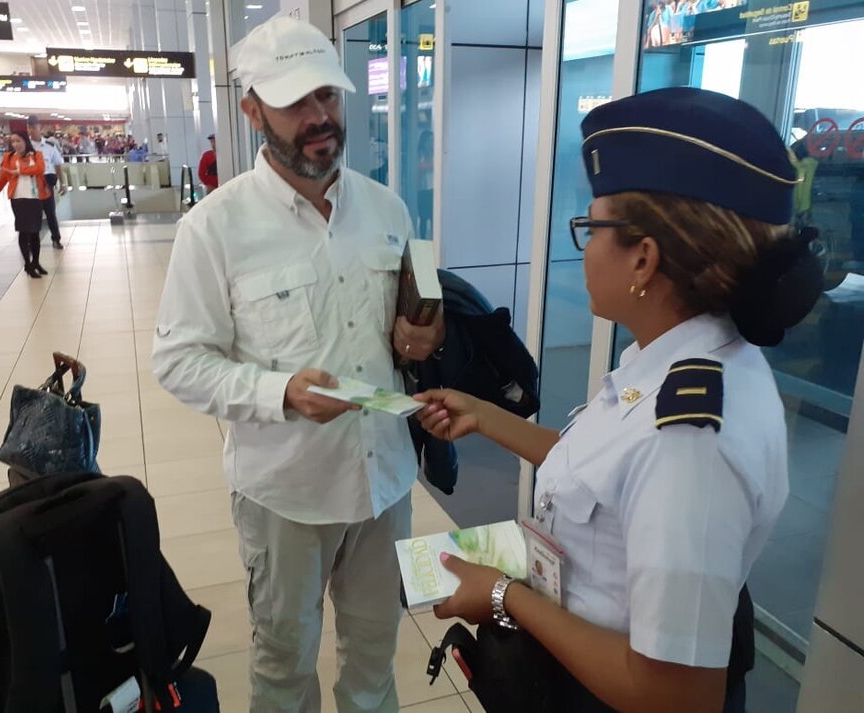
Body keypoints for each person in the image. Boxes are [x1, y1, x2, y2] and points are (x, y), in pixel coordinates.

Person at [413, 87, 823, 713]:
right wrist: (488, 418)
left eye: (591, 226)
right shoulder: (675, 357)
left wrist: (501, 595)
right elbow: (609, 480)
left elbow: (675, 695)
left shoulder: (691, 439)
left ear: (643, 257)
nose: (583, 246)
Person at [151, 16, 445, 713]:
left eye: (329, 96)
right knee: (284, 667)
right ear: (251, 107)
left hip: (384, 482)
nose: (320, 117)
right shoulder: (214, 228)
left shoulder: (387, 209)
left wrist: (419, 342)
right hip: (284, 491)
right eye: (295, 101)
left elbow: (412, 330)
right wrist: (279, 391)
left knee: (374, 660)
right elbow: (178, 360)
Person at [0, 131, 51, 279]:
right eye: (13, 142)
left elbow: (40, 169)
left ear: (25, 141)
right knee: (23, 231)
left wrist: (20, 171)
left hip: (35, 198)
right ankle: (27, 265)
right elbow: (2, 177)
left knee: (35, 232)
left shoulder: (36, 155)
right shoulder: (8, 157)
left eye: (18, 141)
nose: (16, 144)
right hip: (18, 198)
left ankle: (36, 262)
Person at [28, 116, 65, 250]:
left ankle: (56, 239)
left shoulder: (49, 146)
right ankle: (33, 243)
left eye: (34, 127)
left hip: (47, 182)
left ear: (40, 128)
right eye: (29, 127)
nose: (31, 130)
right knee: (33, 215)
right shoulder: (26, 146)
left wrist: (63, 183)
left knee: (50, 213)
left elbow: (58, 165)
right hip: (31, 184)